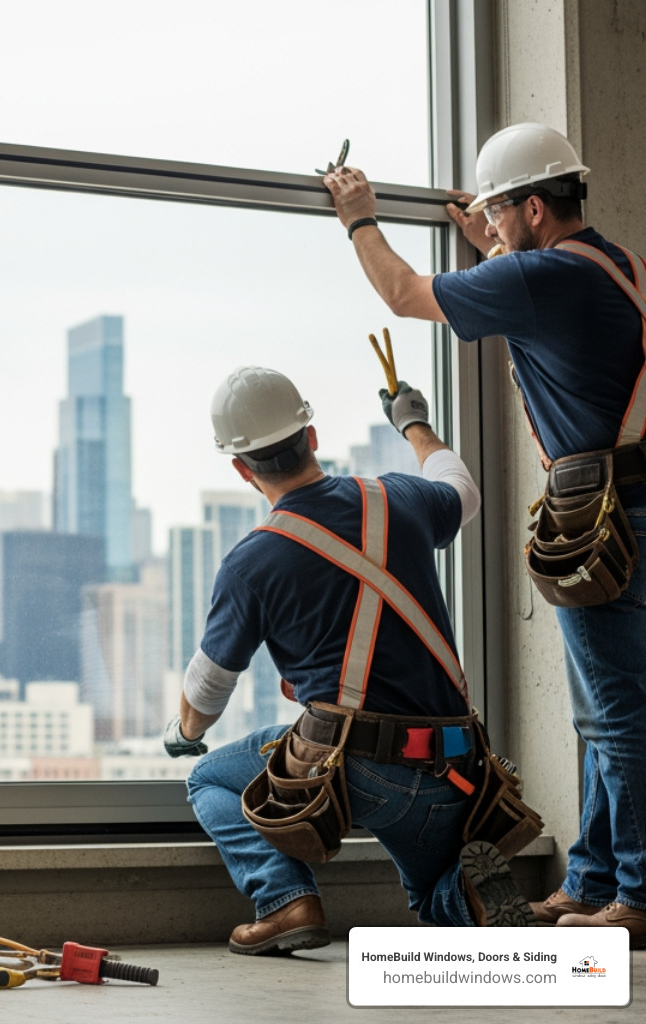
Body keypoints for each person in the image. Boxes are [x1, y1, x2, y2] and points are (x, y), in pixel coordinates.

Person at [323, 122, 646, 946]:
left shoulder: (541, 276)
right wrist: (492, 245)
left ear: (535, 208)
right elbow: (538, 301)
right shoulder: (612, 263)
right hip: (626, 503)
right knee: (603, 711)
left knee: (618, 715)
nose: (492, 226)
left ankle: (636, 892)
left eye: (501, 213)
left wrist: (359, 215)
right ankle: (593, 881)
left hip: (604, 514)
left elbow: (402, 294)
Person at [170, 366, 533, 956]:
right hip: (457, 766)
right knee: (430, 901)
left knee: (209, 777)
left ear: (241, 467)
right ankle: (469, 900)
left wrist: (183, 732)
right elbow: (463, 490)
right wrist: (413, 422)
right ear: (311, 437)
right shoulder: (400, 496)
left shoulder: (253, 560)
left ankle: (286, 903)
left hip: (352, 773)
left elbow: (206, 694)